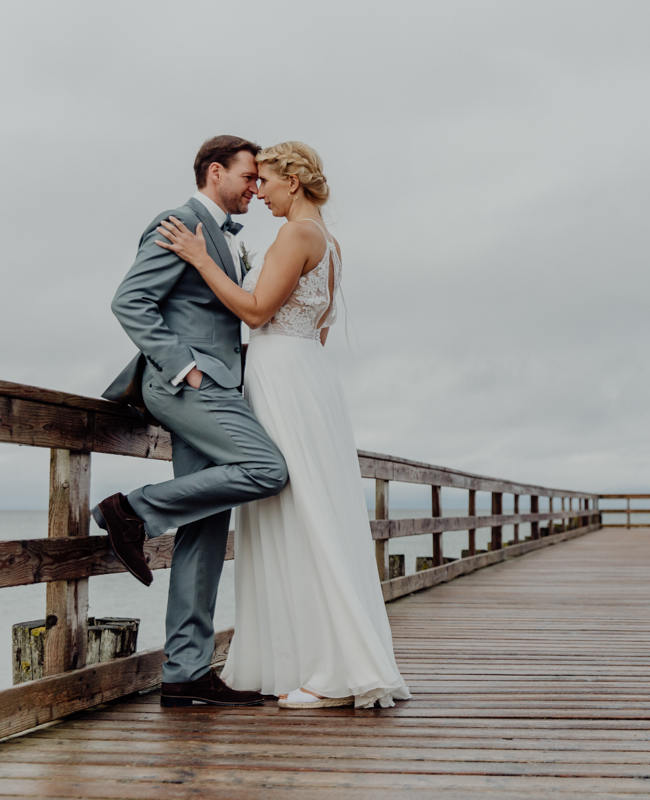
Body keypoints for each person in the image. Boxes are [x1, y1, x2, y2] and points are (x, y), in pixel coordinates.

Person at [155, 141, 410, 710]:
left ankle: (326, 668)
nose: (258, 191)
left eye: (265, 180)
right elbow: (317, 328)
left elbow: (254, 311)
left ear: (292, 182)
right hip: (304, 373)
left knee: (302, 516)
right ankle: (294, 659)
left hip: (282, 377)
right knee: (300, 511)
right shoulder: (329, 242)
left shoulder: (296, 235)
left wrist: (200, 259)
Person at [97, 135, 288, 708]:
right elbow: (130, 301)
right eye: (248, 177)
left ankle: (186, 673)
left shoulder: (223, 238)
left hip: (217, 383)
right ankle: (131, 510)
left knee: (205, 527)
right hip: (187, 385)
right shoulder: (176, 222)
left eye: (259, 181)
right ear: (214, 172)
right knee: (267, 468)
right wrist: (185, 369)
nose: (256, 188)